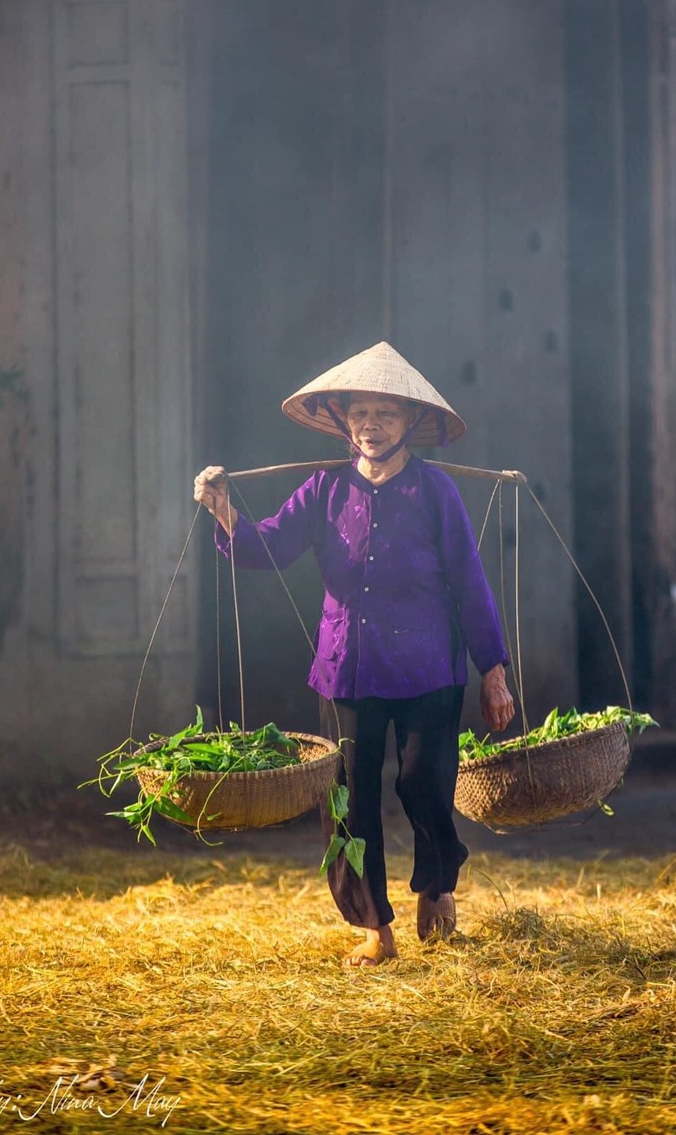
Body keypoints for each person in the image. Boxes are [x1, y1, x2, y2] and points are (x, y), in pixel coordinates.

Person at [194, 341, 515, 968]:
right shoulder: (323, 490)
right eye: (361, 413)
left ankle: (436, 887)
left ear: (409, 424)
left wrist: (493, 671)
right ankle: (373, 926)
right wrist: (224, 509)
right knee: (347, 800)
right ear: (344, 421)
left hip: (429, 668)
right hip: (348, 668)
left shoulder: (436, 494)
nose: (372, 424)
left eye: (386, 414)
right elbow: (267, 548)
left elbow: (470, 584)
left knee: (426, 782)